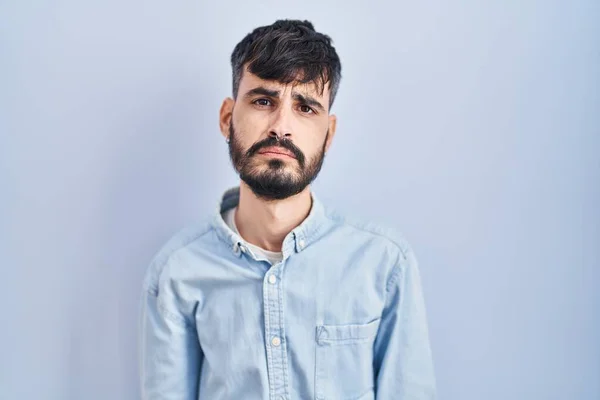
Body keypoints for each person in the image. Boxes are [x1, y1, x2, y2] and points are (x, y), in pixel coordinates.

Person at [139, 19, 436, 400]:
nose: (282, 126)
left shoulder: (383, 264)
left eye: (306, 107)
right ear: (227, 118)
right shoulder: (176, 273)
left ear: (329, 134)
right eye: (264, 101)